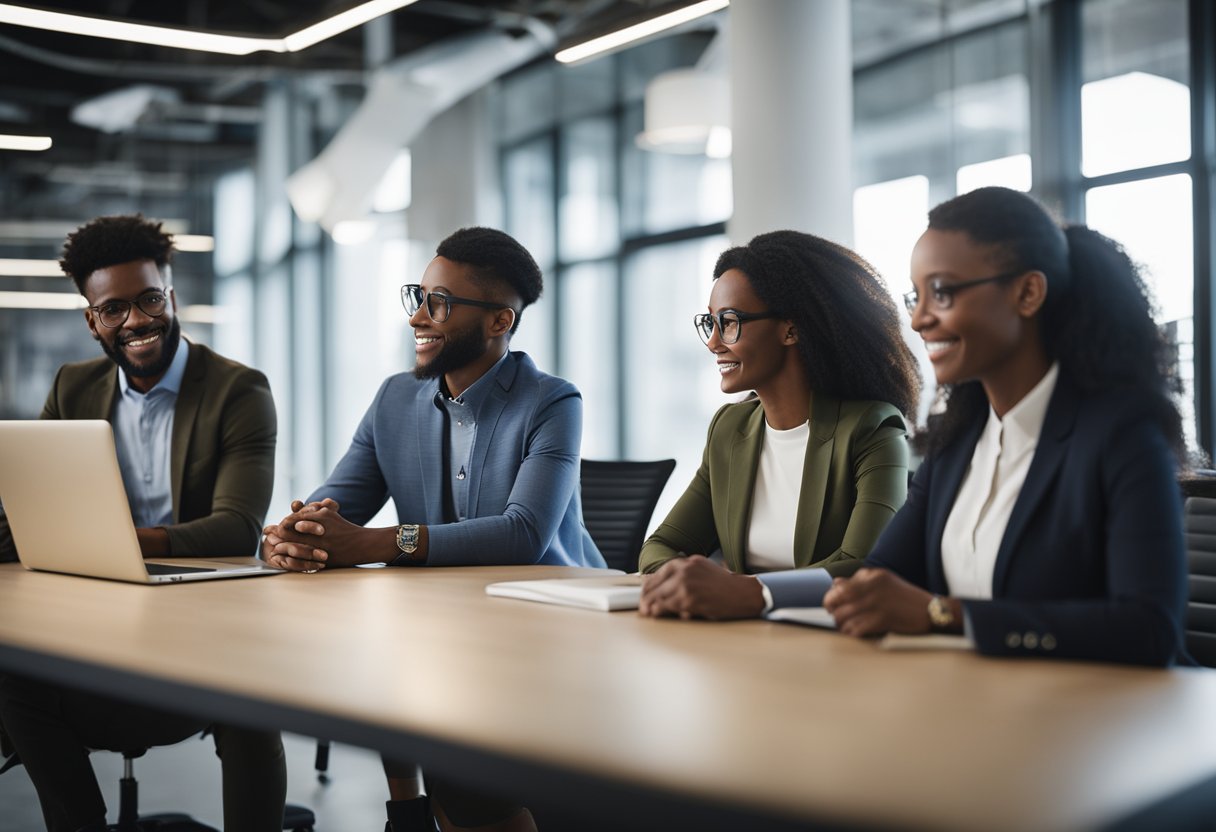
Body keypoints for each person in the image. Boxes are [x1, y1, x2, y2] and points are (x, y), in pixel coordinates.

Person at [262, 226, 605, 832]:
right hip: (447, 631)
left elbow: (521, 534)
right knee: (412, 674)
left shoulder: (551, 401)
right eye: (418, 297)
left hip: (549, 630)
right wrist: (296, 533)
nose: (419, 316)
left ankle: (431, 809)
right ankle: (411, 809)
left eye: (439, 303)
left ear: (500, 321)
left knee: (462, 767)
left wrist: (368, 544)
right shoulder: (395, 399)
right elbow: (336, 505)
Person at [811, 187, 1190, 666]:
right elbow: (881, 579)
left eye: (942, 292)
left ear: (1027, 293)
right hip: (975, 705)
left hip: (1101, 723)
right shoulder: (958, 440)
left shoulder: (1121, 436)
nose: (918, 318)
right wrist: (767, 595)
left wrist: (944, 613)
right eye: (916, 295)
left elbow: (1149, 630)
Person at [0, 215, 287, 832]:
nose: (136, 320)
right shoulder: (73, 388)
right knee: (11, 672)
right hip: (99, 616)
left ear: (171, 295)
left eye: (150, 298)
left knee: (253, 691)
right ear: (92, 319)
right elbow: (25, 514)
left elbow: (236, 528)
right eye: (114, 308)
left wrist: (113, 542)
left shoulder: (238, 390)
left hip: (207, 621)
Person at [637, 230, 921, 620]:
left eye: (730, 322)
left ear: (790, 329)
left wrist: (746, 592)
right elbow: (661, 545)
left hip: (834, 646)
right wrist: (685, 583)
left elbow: (865, 564)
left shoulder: (872, 428)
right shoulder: (730, 428)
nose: (713, 342)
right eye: (710, 323)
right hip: (740, 638)